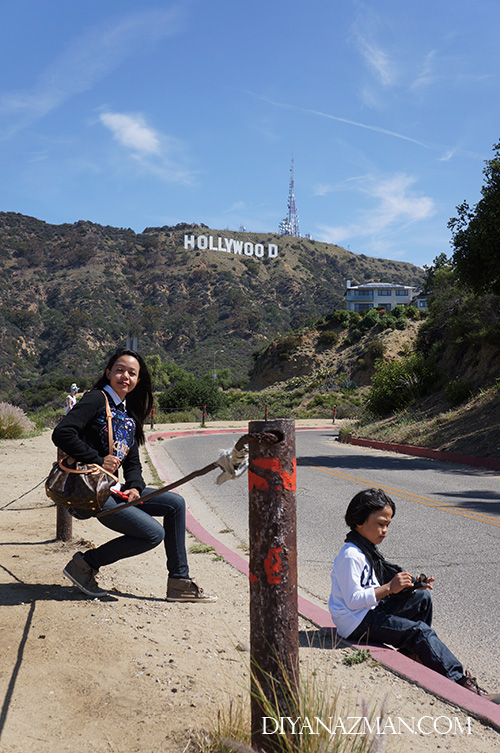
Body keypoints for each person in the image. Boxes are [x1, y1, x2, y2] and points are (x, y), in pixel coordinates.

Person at [52, 348, 217, 603]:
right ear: (108, 373)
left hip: (113, 488)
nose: (124, 376)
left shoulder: (128, 414)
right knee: (153, 534)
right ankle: (83, 565)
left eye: (132, 373)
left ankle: (179, 582)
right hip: (91, 489)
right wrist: (97, 459)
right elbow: (62, 433)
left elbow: (132, 461)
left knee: (175, 503)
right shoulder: (96, 399)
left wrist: (136, 487)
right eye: (119, 370)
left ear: (138, 381)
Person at [329, 488, 489, 697]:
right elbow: (353, 600)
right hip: (354, 621)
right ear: (359, 521)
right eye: (380, 524)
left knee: (422, 598)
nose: (385, 530)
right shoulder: (351, 555)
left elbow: (376, 585)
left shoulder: (366, 550)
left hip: (367, 611)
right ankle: (460, 683)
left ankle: (413, 655)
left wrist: (411, 585)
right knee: (420, 631)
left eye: (387, 525)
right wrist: (389, 588)